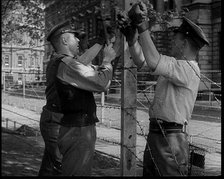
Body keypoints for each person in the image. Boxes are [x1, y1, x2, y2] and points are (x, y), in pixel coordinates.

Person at [118, 2, 209, 176]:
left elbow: (153, 60)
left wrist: (142, 26)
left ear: (184, 44)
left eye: (176, 37)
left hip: (171, 137)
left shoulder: (189, 69)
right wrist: (132, 40)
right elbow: (143, 62)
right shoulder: (175, 66)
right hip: (159, 134)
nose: (172, 40)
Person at [38, 19, 114, 176]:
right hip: (59, 120)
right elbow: (97, 80)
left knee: (51, 168)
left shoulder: (60, 60)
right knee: (63, 167)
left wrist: (100, 42)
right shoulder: (65, 63)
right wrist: (107, 61)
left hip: (56, 119)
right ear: (65, 39)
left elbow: (81, 63)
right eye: (75, 36)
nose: (80, 39)